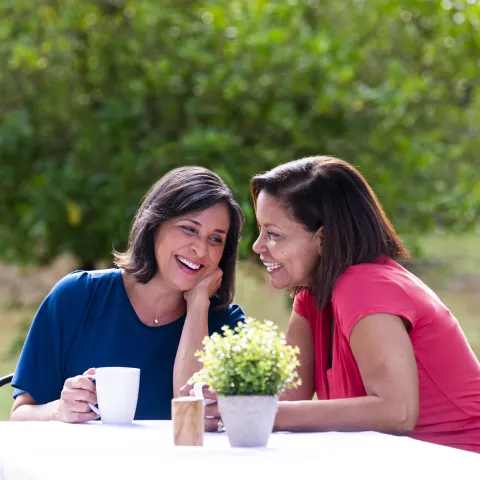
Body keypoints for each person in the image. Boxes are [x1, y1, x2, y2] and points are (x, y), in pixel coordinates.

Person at [189, 156, 480, 454]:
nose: (257, 246)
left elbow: (398, 412)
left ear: (323, 239)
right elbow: (289, 398)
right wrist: (234, 402)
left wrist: (261, 414)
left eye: (273, 234)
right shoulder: (312, 296)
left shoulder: (365, 285)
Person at [10, 166, 245, 423]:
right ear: (155, 224)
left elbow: (194, 418)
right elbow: (21, 415)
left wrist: (198, 305)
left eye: (215, 240)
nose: (200, 250)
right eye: (189, 229)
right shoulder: (77, 296)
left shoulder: (227, 327)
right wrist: (59, 410)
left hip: (180, 464)